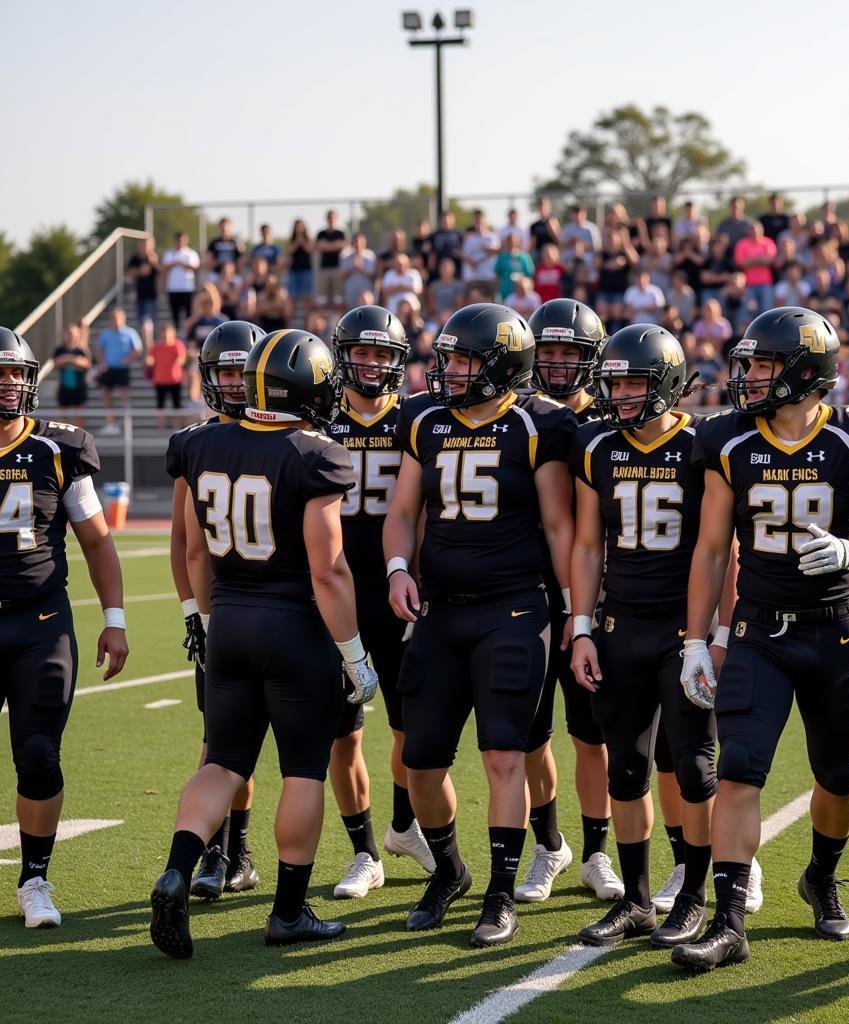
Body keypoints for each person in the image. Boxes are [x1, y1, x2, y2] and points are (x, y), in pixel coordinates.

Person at [672, 307, 849, 972]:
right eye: (751, 364)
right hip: (758, 629)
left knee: (838, 771)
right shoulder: (728, 441)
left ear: (805, 372)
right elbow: (713, 548)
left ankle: (821, 877)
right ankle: (728, 922)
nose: (749, 377)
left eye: (765, 365)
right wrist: (696, 642)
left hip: (833, 630)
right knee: (739, 766)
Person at [149, 328, 377, 958]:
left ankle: (177, 868)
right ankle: (287, 911)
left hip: (229, 619)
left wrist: (200, 614)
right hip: (293, 626)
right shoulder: (314, 453)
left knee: (222, 761)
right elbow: (328, 570)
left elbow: (193, 548)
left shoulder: (199, 442)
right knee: (302, 771)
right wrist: (355, 653)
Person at [383, 304, 576, 947]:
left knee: (502, 754)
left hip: (514, 608)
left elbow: (557, 525)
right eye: (448, 358)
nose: (449, 371)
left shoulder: (536, 425)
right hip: (439, 608)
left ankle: (500, 891)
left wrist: (573, 608)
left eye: (464, 359)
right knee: (419, 762)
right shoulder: (425, 419)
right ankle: (452, 869)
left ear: (500, 367)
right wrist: (397, 569)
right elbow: (404, 509)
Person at [567, 325, 724, 950]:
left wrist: (715, 639)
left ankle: (691, 893)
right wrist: (580, 628)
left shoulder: (702, 444)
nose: (621, 393)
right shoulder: (597, 446)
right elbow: (585, 544)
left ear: (663, 385)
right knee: (626, 770)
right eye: (615, 381)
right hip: (618, 624)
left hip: (681, 629)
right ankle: (635, 900)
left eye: (634, 381)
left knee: (693, 768)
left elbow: (723, 551)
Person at [0, 328, 129, 929]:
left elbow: (98, 541)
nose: (9, 383)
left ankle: (34, 880)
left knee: (38, 754)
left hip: (40, 622)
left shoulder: (56, 449)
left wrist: (115, 620)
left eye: (16, 373)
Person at [512, 300, 622, 906]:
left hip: (594, 599)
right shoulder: (514, 415)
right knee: (530, 736)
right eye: (546, 351)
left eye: (569, 352)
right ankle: (549, 844)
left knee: (591, 735)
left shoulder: (614, 419)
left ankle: (598, 851)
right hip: (524, 597)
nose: (556, 364)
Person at [326, 306, 435, 899]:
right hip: (339, 591)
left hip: (398, 589)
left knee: (408, 727)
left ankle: (401, 825)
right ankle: (365, 851)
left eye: (382, 354)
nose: (370, 364)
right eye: (361, 353)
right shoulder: (319, 418)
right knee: (345, 733)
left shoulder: (416, 418)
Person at [164, 321, 266, 901]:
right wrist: (193, 614)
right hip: (225, 611)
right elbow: (186, 545)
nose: (234, 382)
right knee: (221, 743)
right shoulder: (195, 442)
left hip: (282, 607)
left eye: (243, 370)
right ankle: (228, 851)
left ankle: (363, 848)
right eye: (225, 371)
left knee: (324, 747)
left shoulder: (292, 433)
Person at [95, 308, 143, 434]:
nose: (116, 321)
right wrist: (101, 363)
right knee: (106, 394)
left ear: (123, 319)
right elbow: (100, 349)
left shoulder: (130, 332)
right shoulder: (106, 333)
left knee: (125, 395)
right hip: (109, 368)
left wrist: (128, 359)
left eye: (118, 318)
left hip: (122, 368)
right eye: (114, 318)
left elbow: (138, 348)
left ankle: (128, 422)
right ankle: (111, 422)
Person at [149, 324, 187, 431]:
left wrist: (178, 362)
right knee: (160, 405)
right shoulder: (156, 346)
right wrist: (149, 360)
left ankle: (177, 428)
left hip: (175, 380)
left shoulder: (178, 345)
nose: (165, 336)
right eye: (164, 333)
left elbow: (181, 358)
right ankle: (160, 428)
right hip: (160, 380)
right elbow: (150, 357)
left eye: (167, 333)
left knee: (177, 405)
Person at [52, 324, 91, 427]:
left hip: (79, 386)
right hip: (64, 386)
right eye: (68, 333)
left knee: (79, 415)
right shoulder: (59, 350)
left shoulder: (81, 350)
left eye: (73, 334)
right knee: (62, 415)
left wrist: (67, 359)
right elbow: (57, 362)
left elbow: (86, 364)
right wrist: (74, 360)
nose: (70, 336)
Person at [162, 233, 201, 331]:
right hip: (173, 289)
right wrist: (173, 263)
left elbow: (196, 268)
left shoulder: (191, 253)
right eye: (178, 240)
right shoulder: (169, 254)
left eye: (182, 240)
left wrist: (183, 264)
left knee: (188, 313)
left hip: (187, 288)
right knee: (175, 314)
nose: (180, 242)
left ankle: (188, 334)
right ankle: (176, 334)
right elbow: (163, 268)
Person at [127, 237, 161, 331]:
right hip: (139, 294)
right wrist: (140, 271)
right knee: (140, 322)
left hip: (151, 295)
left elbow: (161, 271)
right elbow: (130, 272)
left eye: (147, 245)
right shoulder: (135, 258)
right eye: (144, 245)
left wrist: (153, 261)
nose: (145, 247)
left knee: (149, 321)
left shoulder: (155, 257)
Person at [316, 209, 347, 308]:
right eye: (329, 217)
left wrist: (327, 246)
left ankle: (336, 321)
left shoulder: (340, 233)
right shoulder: (321, 233)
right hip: (324, 268)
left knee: (337, 297)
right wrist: (335, 245)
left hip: (337, 268)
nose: (331, 219)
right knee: (323, 298)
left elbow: (343, 245)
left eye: (333, 217)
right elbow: (320, 247)